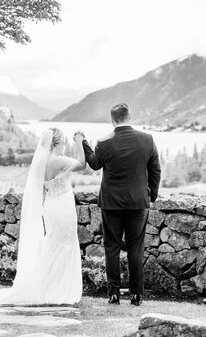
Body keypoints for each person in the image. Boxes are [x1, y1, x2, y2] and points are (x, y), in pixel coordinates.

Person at [0, 127, 86, 306]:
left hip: (51, 207)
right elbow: (83, 164)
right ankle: (57, 289)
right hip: (62, 207)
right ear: (58, 142)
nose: (64, 144)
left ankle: (51, 287)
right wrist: (80, 142)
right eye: (64, 141)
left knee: (54, 245)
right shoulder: (58, 160)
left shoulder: (42, 162)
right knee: (64, 245)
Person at [80, 102, 161, 306]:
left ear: (112, 120)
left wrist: (85, 144)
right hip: (138, 202)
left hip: (111, 203)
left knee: (112, 248)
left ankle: (114, 294)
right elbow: (155, 171)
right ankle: (136, 295)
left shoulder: (104, 142)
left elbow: (95, 164)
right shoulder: (147, 139)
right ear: (129, 117)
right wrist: (151, 196)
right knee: (136, 248)